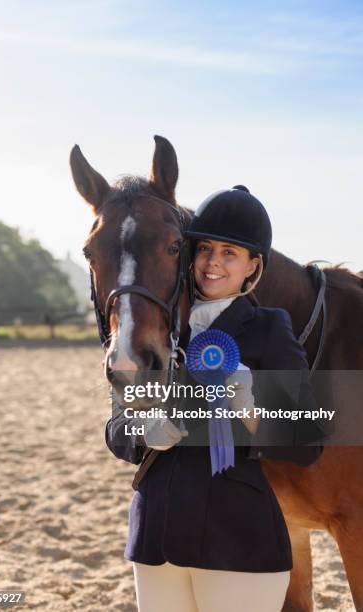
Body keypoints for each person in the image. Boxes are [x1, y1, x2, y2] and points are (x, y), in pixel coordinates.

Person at [105, 186, 326, 612]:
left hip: (238, 541)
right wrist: (145, 430)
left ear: (253, 266)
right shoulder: (158, 328)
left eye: (230, 253)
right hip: (156, 537)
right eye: (204, 248)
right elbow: (116, 427)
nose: (212, 263)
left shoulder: (268, 329)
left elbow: (307, 439)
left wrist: (250, 410)